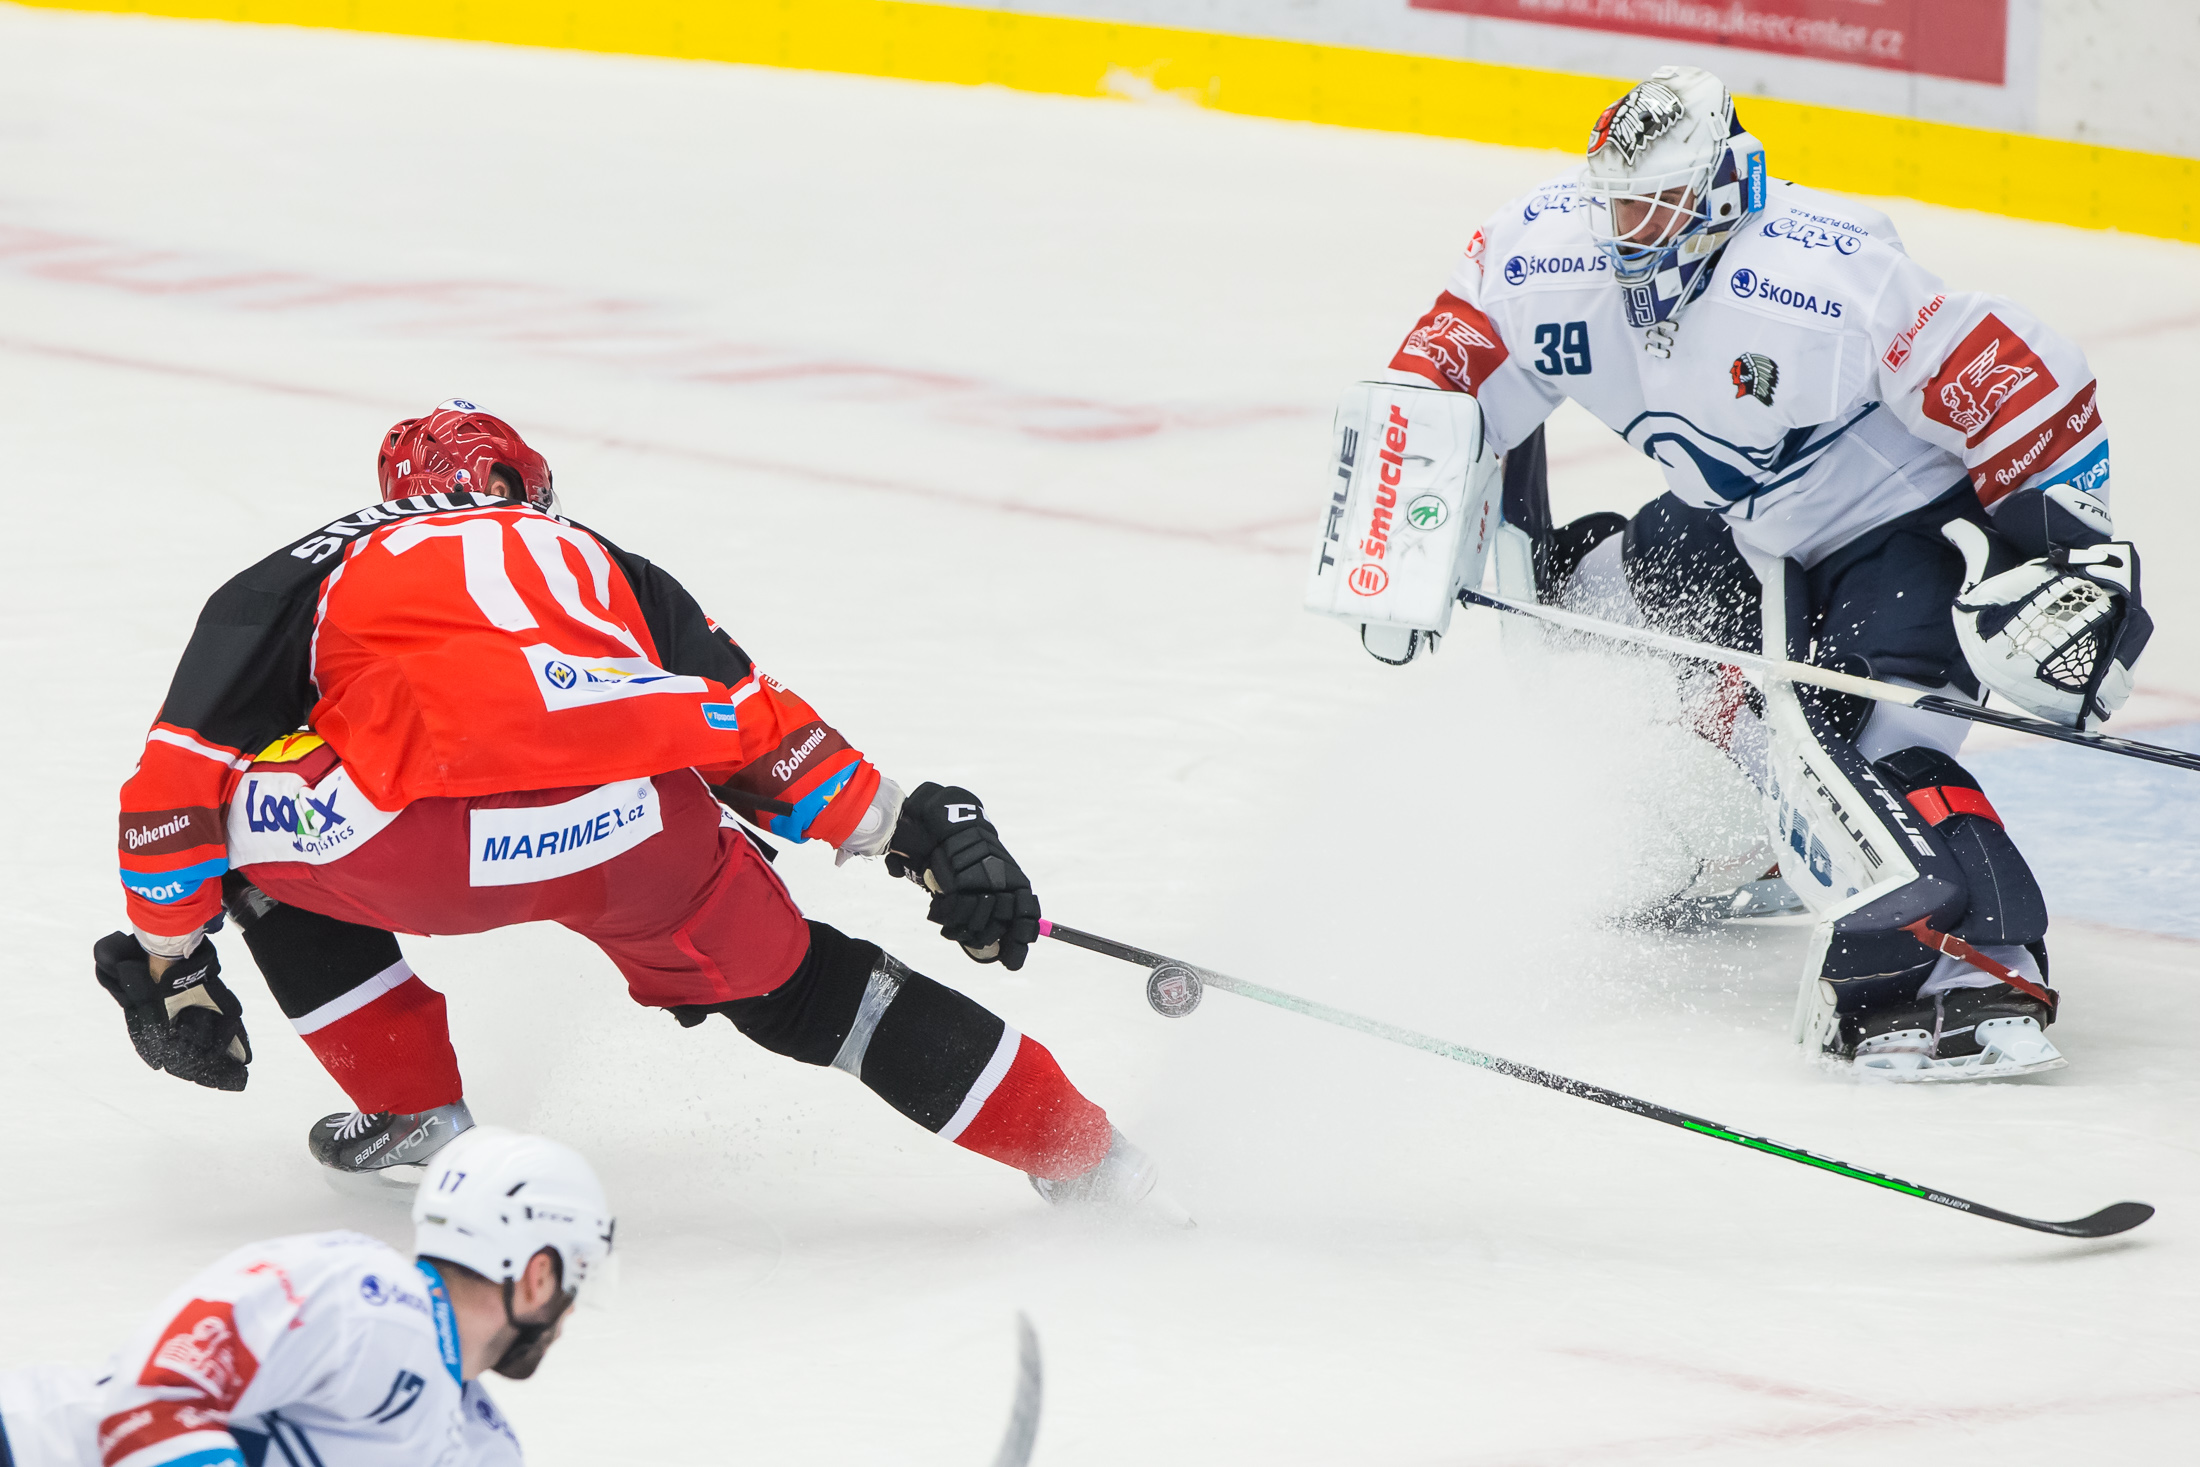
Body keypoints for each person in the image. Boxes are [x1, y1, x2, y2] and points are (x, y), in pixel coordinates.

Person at [100, 400, 1159, 1206]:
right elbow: (760, 733)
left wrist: (169, 958)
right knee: (808, 989)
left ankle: (413, 1108)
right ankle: (1089, 1159)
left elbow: (173, 785)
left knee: (224, 838)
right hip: (635, 829)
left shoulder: (302, 567)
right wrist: (908, 826)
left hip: (409, 841)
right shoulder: (600, 558)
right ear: (514, 481)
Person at [1343, 66, 2151, 1079]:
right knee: (1586, 600)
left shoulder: (1825, 274)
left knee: (1863, 758)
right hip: (1750, 524)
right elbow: (1443, 372)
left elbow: (2016, 379)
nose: (1627, 232)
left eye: (1655, 205)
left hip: (1900, 531)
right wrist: (1395, 541)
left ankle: (1979, 971)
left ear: (1724, 192)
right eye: (1615, 204)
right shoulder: (1544, 253)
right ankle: (1730, 834)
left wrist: (2072, 556)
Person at [0, 1127, 609, 1467]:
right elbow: (148, 1405)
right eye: (576, 1277)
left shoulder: (484, 1447)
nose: (572, 1310)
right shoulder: (360, 1295)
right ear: (538, 1275)